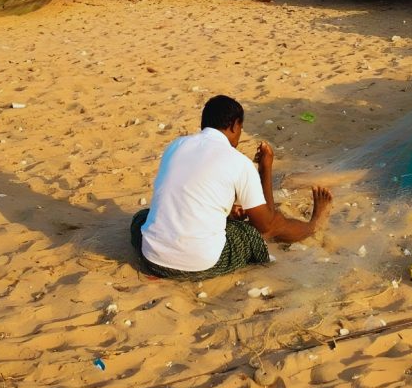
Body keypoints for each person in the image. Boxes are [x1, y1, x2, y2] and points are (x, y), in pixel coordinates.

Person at [130, 95, 333, 280]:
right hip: (201, 264)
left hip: (152, 257)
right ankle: (313, 226)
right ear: (235, 125)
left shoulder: (176, 145)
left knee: (142, 217)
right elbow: (268, 225)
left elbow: (188, 192)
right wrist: (266, 169)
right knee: (254, 233)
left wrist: (227, 213)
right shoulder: (239, 162)